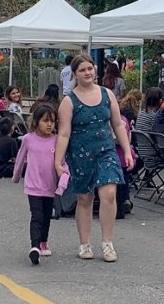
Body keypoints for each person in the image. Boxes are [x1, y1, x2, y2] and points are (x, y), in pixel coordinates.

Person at [53, 54, 134, 262]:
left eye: (90, 68)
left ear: (95, 70)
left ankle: (107, 243)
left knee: (109, 193)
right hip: (80, 155)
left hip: (106, 151)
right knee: (85, 199)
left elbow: (118, 124)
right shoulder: (69, 102)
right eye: (82, 70)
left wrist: (126, 150)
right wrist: (58, 161)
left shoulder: (107, 94)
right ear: (74, 74)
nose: (87, 73)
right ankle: (85, 243)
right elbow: (63, 133)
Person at [13, 102, 68, 264]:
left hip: (50, 186)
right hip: (33, 186)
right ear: (36, 122)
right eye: (45, 121)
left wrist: (62, 183)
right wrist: (16, 176)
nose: (49, 124)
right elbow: (20, 158)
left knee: (46, 216)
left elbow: (63, 164)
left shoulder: (57, 140)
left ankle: (44, 241)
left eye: (52, 121)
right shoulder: (28, 139)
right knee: (36, 215)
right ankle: (35, 246)